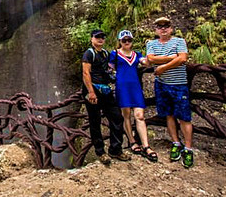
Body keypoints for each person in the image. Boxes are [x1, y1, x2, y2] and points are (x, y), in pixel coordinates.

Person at [146, 16, 194, 168]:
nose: (163, 29)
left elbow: (183, 59)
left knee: (185, 117)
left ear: (171, 28)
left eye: (166, 26)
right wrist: (172, 57)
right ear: (156, 30)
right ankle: (176, 143)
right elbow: (151, 59)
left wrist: (162, 67)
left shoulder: (179, 41)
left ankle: (188, 148)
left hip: (179, 84)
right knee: (169, 115)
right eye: (160, 27)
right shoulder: (151, 43)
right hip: (162, 85)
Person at [82, 29, 131, 165]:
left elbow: (113, 66)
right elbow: (86, 73)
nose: (100, 39)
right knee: (95, 121)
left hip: (105, 89)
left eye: (103, 37)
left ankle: (115, 149)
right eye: (97, 37)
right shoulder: (89, 53)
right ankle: (100, 152)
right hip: (93, 90)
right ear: (92, 39)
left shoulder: (105, 53)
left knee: (117, 117)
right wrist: (91, 92)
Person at [109, 30, 157, 162]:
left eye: (129, 40)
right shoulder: (115, 54)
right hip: (122, 87)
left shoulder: (136, 54)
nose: (126, 42)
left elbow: (146, 62)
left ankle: (146, 145)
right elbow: (109, 68)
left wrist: (150, 48)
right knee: (126, 115)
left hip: (135, 87)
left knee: (140, 116)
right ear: (119, 41)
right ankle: (132, 141)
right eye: (124, 40)